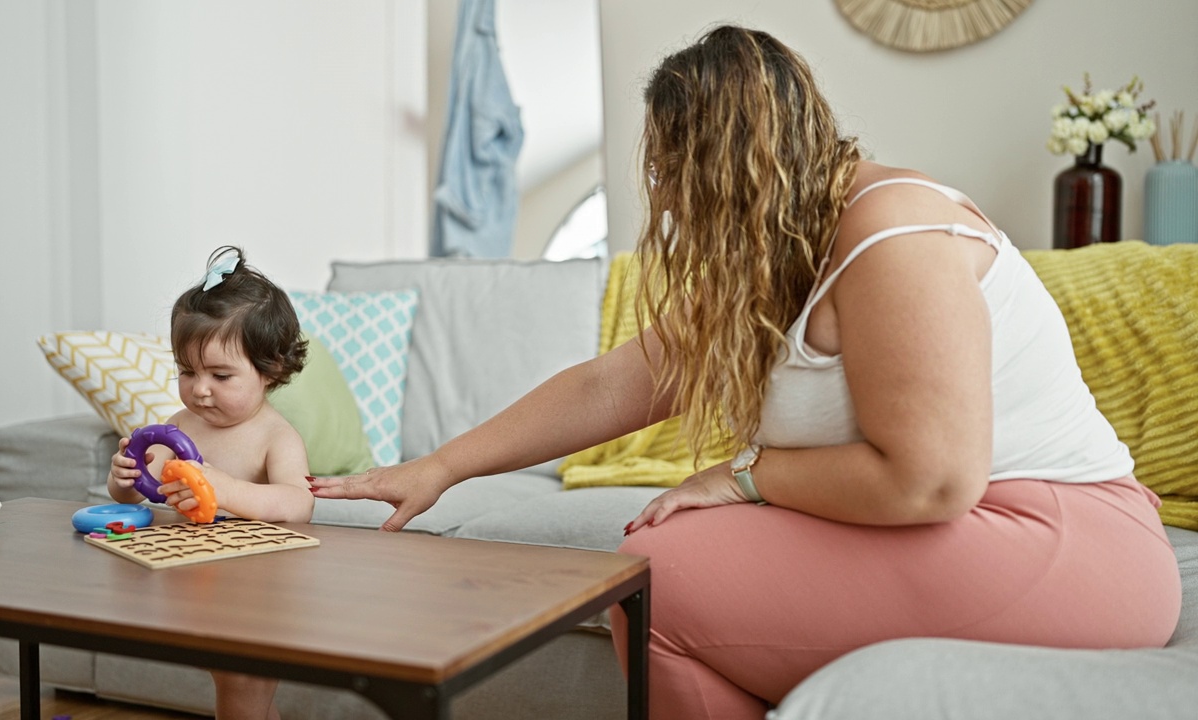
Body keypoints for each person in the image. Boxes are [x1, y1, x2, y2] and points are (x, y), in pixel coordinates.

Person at [307, 25, 1182, 719]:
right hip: (982, 528)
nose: (668, 199)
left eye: (670, 173)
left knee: (664, 570)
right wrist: (441, 467)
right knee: (665, 556)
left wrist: (745, 475)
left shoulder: (893, 239)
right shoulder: (783, 251)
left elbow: (933, 480)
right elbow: (611, 383)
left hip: (1066, 545)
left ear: (729, 170)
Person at [108, 245, 313, 720]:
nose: (200, 388)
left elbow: (299, 503)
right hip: (197, 579)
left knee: (243, 688)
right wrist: (123, 479)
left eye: (221, 375)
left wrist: (226, 489)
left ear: (271, 370)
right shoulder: (179, 425)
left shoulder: (274, 436)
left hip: (257, 590)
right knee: (242, 695)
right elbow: (148, 487)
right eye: (187, 371)